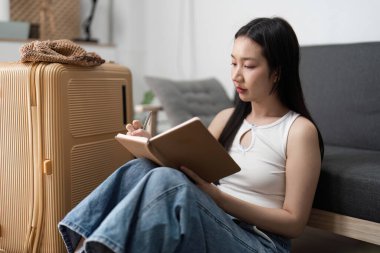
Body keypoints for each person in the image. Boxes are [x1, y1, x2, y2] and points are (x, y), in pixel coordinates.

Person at [58, 17, 323, 253]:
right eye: (233, 63)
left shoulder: (298, 131)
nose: (236, 75)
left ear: (277, 71)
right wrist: (152, 144)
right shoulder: (226, 118)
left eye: (249, 66)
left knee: (165, 180)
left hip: (260, 242)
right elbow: (189, 170)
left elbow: (294, 222)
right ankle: (84, 244)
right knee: (141, 167)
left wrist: (218, 198)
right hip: (211, 220)